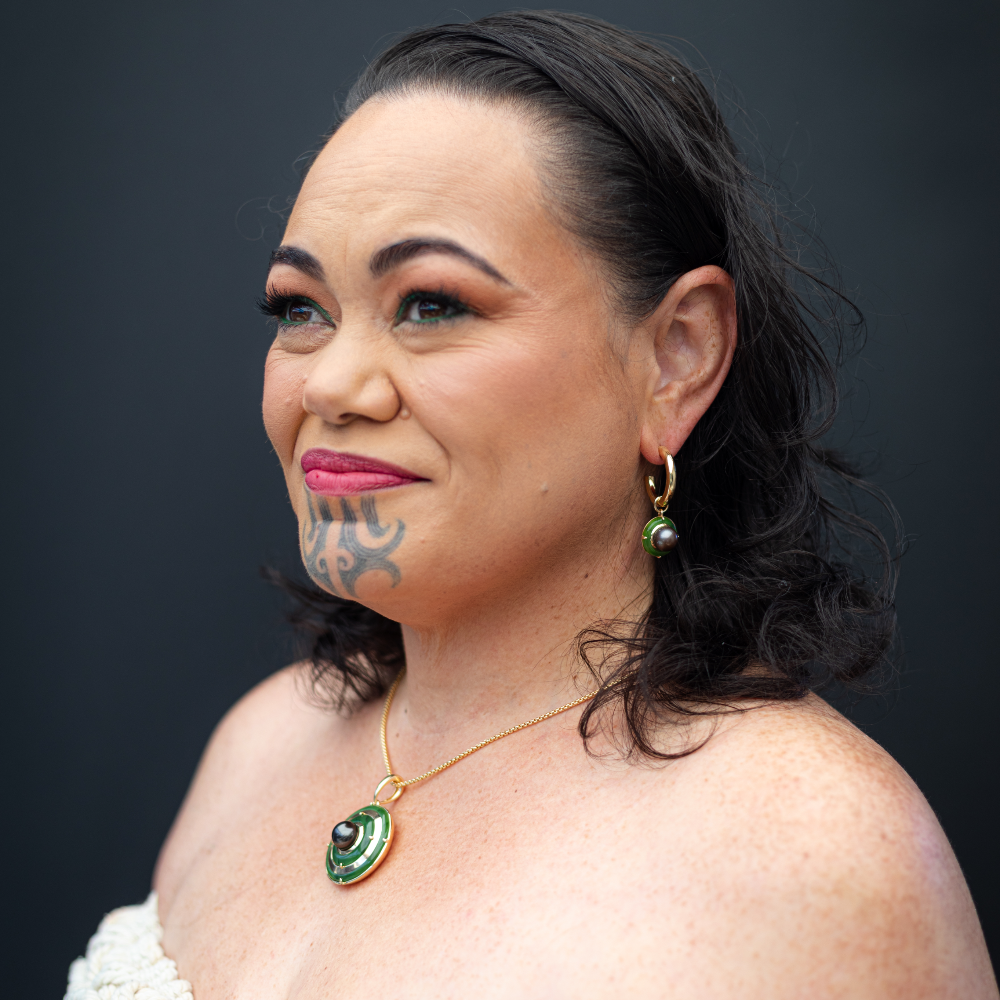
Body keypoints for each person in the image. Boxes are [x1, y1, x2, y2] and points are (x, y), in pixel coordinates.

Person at [65, 10, 997, 999]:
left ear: (675, 356)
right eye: (300, 310)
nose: (330, 384)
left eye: (432, 304)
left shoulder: (811, 853)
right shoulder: (260, 742)